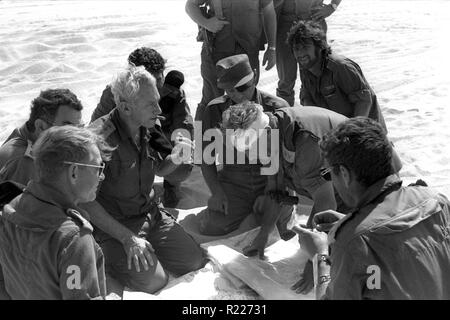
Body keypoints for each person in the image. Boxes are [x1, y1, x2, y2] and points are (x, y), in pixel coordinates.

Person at [294, 117, 450, 299]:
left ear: (344, 174)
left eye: (329, 175)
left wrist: (320, 254)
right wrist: (350, 223)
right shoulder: (436, 200)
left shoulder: (353, 244)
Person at [85, 65, 205, 297]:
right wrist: (127, 239)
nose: (159, 110)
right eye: (151, 104)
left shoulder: (150, 126)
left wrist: (176, 158)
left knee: (193, 262)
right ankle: (103, 259)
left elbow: (160, 169)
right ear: (125, 107)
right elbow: (84, 202)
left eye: (157, 101)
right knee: (154, 282)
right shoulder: (98, 141)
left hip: (151, 214)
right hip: (115, 226)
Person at [0, 126, 114, 299]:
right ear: (74, 172)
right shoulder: (74, 238)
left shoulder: (12, 207)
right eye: (98, 167)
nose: (102, 176)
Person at [198, 54, 290, 238]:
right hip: (234, 183)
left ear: (255, 75)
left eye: (243, 88)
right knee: (212, 227)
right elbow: (204, 158)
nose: (238, 96)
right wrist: (216, 192)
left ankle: (256, 217)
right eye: (231, 91)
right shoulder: (213, 110)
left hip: (272, 182)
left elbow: (285, 163)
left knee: (281, 228)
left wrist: (271, 194)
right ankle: (250, 217)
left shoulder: (279, 108)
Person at [91, 47, 194, 208]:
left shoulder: (174, 93)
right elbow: (96, 131)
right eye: (145, 80)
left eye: (157, 79)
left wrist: (180, 148)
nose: (152, 86)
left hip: (159, 141)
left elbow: (185, 127)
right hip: (123, 143)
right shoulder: (114, 93)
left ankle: (170, 186)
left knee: (183, 165)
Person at [185, 0, 277, 121]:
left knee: (247, 100)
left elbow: (269, 11)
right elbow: (190, 6)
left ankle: (247, 138)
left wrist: (272, 48)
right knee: (211, 101)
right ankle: (202, 137)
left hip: (247, 52)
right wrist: (206, 23)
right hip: (215, 51)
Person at [287, 20, 387, 131]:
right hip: (335, 132)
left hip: (365, 132)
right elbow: (307, 99)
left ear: (319, 47)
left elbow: (364, 101)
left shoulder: (340, 67)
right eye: (296, 49)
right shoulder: (306, 67)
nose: (300, 54)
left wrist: (350, 132)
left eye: (305, 47)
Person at [0, 88, 83, 185]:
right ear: (41, 126)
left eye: (79, 128)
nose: (76, 136)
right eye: (68, 129)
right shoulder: (25, 162)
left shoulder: (26, 135)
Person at [276, 0, 342, 106]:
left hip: (313, 21)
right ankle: (285, 117)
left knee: (315, 76)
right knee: (286, 79)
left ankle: (315, 117)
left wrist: (332, 6)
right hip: (285, 24)